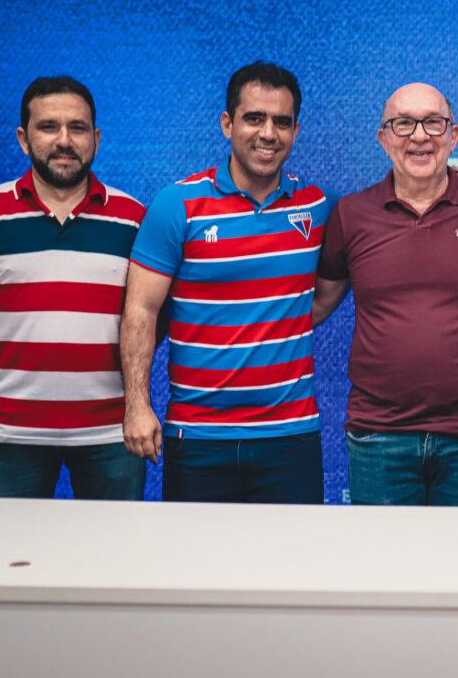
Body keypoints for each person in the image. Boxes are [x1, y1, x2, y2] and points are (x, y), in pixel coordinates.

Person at [120, 62, 336, 503]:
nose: (268, 133)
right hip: (197, 437)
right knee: (195, 552)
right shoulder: (178, 205)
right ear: (227, 124)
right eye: (254, 118)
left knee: (294, 552)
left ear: (296, 130)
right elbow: (141, 311)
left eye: (282, 122)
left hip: (290, 438)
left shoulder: (318, 206)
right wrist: (137, 405)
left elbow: (338, 278)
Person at [312, 82, 458, 506]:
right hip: (378, 436)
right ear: (383, 138)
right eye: (403, 124)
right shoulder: (351, 215)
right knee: (381, 553)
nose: (419, 136)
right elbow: (317, 304)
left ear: (453, 136)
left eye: (433, 123)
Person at [0, 76, 147, 499]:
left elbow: (149, 322)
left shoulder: (134, 221)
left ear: (96, 138)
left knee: (117, 544)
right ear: (23, 139)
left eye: (77, 128)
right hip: (5, 436)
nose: (64, 141)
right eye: (48, 127)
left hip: (110, 434)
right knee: (0, 545)